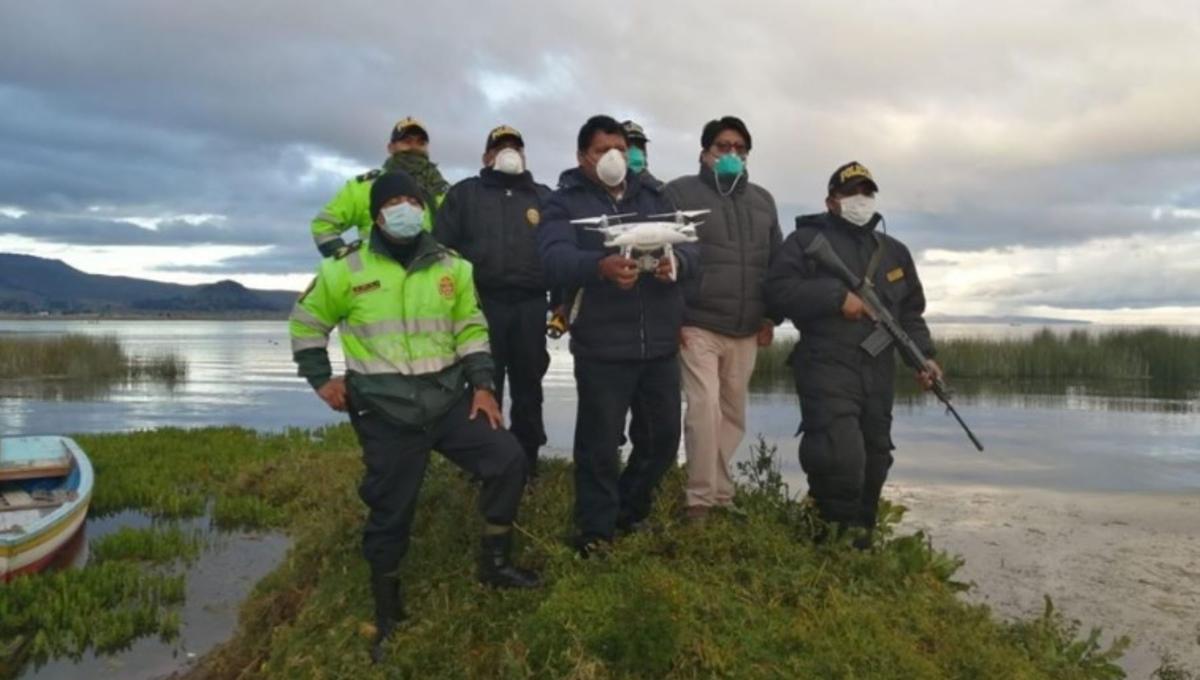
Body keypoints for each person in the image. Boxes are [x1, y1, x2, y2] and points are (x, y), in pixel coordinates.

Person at [289, 171, 539, 663]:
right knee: (390, 509)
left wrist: (484, 387)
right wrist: (323, 380)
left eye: (412, 200)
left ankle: (494, 563)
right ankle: (388, 612)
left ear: (424, 209)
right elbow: (306, 323)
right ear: (378, 213)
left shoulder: (454, 268)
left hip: (448, 402)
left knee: (508, 459)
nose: (406, 207)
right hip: (385, 411)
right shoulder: (346, 268)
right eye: (395, 201)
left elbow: (470, 329)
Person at [537, 115, 698, 555]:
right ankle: (595, 532)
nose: (612, 158)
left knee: (663, 440)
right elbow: (551, 259)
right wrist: (599, 269)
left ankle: (630, 513)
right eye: (600, 151)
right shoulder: (563, 203)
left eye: (619, 150)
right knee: (599, 445)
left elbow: (693, 246)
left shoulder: (656, 195)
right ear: (581, 157)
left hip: (660, 345)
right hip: (602, 346)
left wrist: (677, 265)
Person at [766, 161, 942, 544]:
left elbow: (910, 313)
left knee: (876, 459)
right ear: (832, 201)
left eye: (867, 192)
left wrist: (924, 357)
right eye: (850, 193)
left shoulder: (894, 252)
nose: (860, 200)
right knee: (838, 456)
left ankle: (858, 545)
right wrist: (835, 298)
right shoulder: (805, 243)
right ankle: (826, 541)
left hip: (878, 371)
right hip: (826, 364)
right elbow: (777, 292)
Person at [664, 116, 782, 521]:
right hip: (696, 322)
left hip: (747, 326)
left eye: (739, 148)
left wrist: (771, 316)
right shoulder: (678, 192)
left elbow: (776, 263)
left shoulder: (764, 201)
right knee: (703, 408)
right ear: (705, 152)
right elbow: (664, 254)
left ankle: (719, 495)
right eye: (722, 146)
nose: (731, 154)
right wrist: (673, 317)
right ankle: (699, 501)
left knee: (733, 415)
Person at [434, 125, 552, 476]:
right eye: (500, 147)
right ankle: (485, 465)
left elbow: (558, 252)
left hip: (531, 305)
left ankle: (528, 463)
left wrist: (560, 302)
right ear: (486, 156)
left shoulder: (543, 197)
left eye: (515, 146)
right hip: (481, 306)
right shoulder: (465, 194)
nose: (509, 151)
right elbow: (442, 250)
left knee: (529, 387)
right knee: (484, 386)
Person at [309, 117, 450, 257]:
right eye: (407, 141)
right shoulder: (364, 187)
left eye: (421, 143)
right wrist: (349, 263)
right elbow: (323, 225)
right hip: (376, 272)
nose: (414, 147)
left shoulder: (444, 191)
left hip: (434, 274)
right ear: (391, 148)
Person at [622, 120, 664, 189]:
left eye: (639, 145)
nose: (635, 150)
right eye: (628, 145)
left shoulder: (660, 191)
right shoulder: (605, 191)